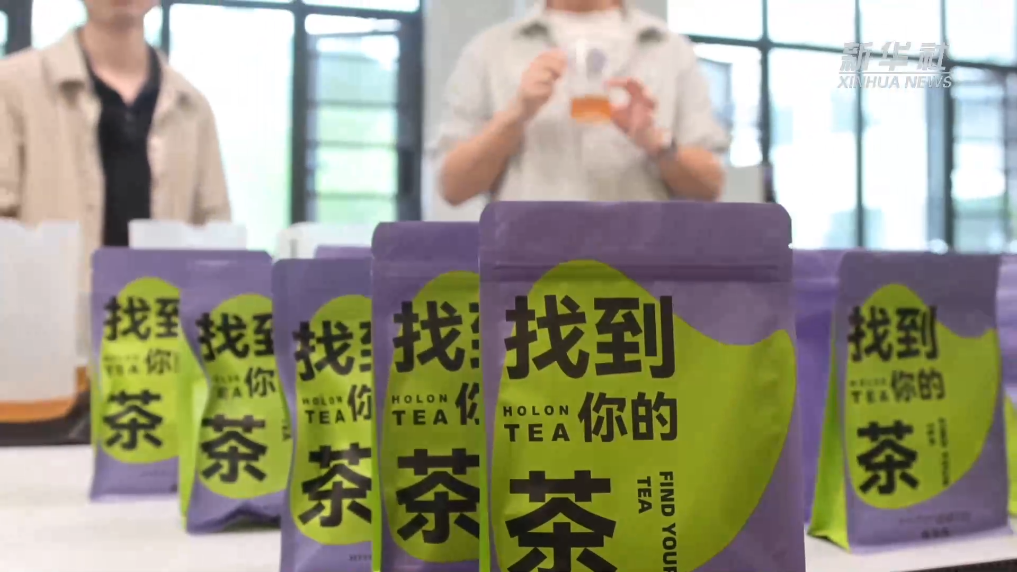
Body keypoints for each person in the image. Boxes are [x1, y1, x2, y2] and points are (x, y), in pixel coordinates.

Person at [0, 0, 231, 264]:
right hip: (50, 289)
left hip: (162, 289)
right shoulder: (14, 88)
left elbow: (216, 236)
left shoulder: (191, 107)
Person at [435, 0, 729, 205]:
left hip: (639, 266)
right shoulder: (491, 50)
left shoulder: (671, 50)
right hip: (529, 264)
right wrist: (516, 113)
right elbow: (453, 188)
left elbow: (710, 185)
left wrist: (656, 141)